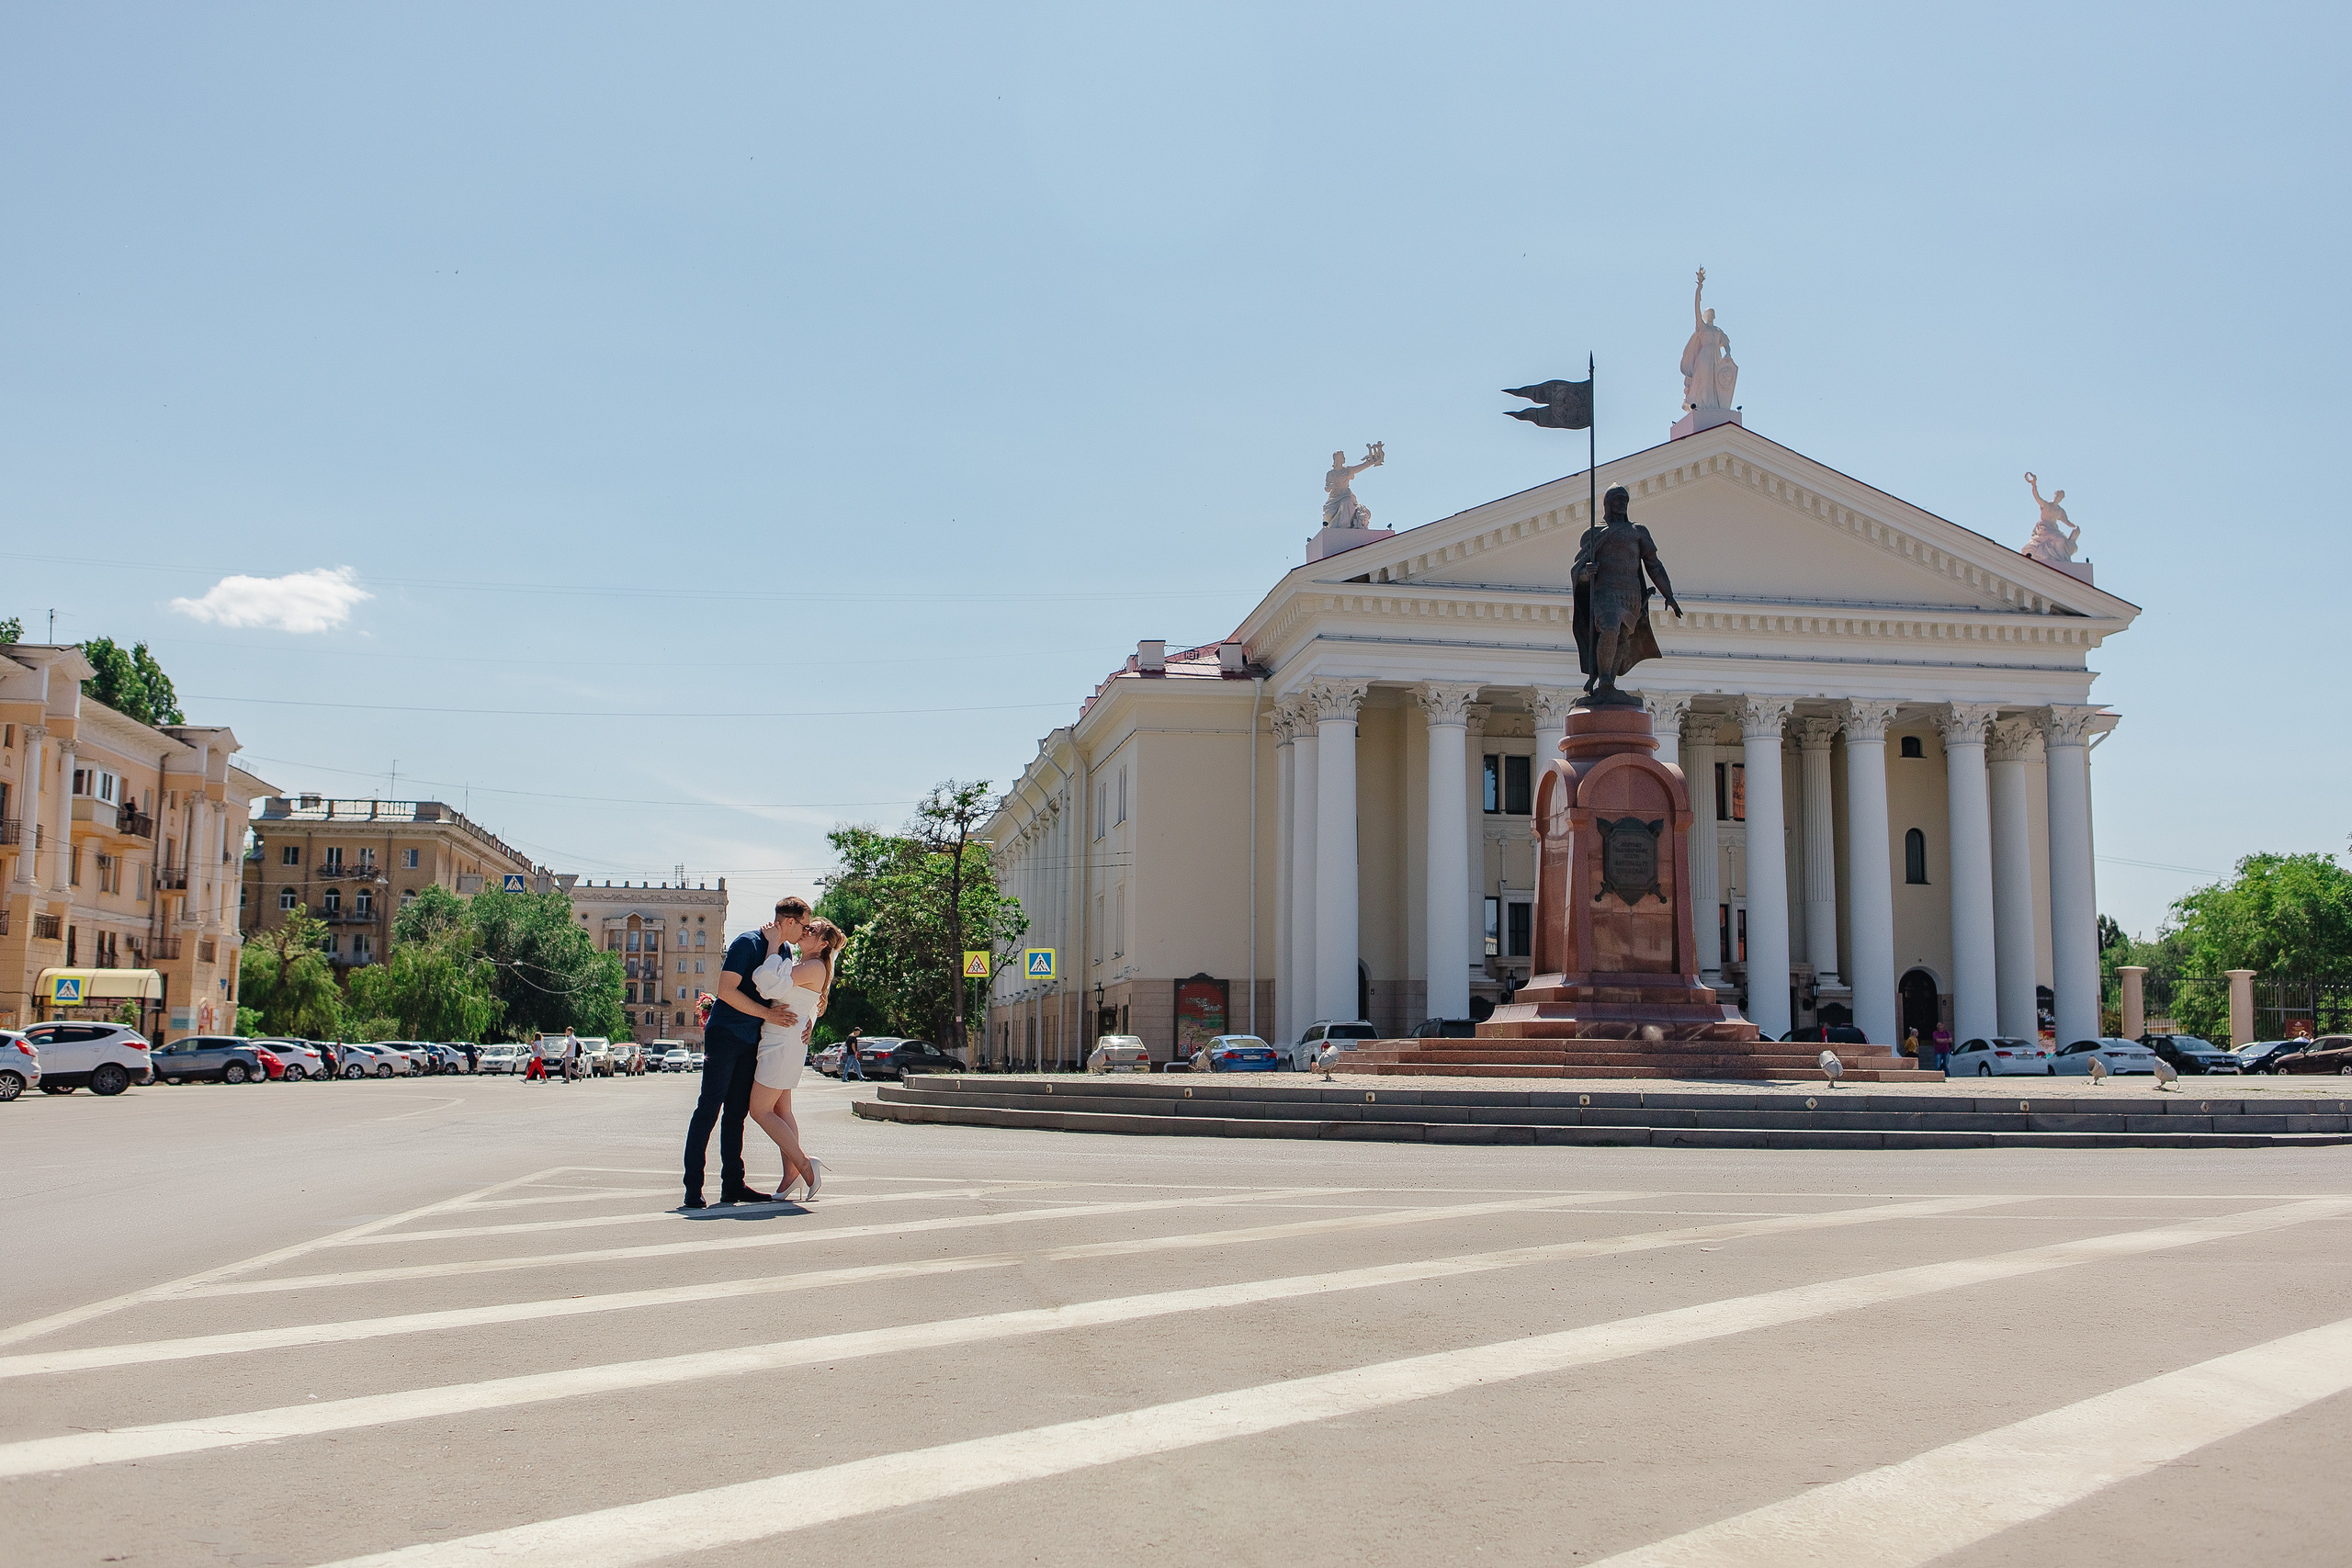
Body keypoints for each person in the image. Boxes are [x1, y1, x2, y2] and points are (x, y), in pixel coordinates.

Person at [684, 897, 811, 1209]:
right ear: (790, 921)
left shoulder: (782, 951)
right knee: (709, 1108)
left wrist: (807, 1019)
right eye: (804, 925)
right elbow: (726, 991)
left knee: (737, 1113)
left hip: (753, 1040)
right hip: (726, 1035)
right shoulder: (747, 942)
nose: (806, 931)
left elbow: (785, 993)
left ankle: (733, 1186)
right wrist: (767, 1016)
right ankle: (693, 1187)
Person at [749, 917, 843, 1201]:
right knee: (781, 1111)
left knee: (759, 1111)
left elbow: (768, 986)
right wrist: (810, 1019)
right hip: (782, 1038)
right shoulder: (806, 965)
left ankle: (805, 1166)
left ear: (823, 943)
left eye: (811, 930)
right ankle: (790, 1175)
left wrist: (774, 942)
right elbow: (808, 1003)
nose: (805, 930)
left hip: (783, 1043)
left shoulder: (813, 966)